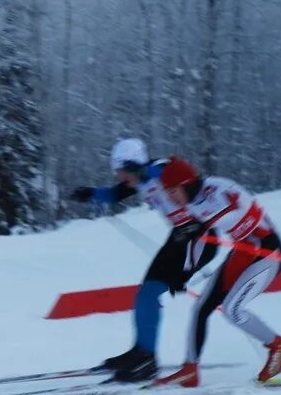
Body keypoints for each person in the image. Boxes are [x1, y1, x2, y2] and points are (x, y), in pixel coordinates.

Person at [68, 138, 217, 381]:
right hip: (179, 238)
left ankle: (147, 360)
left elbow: (199, 190)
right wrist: (90, 194)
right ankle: (141, 351)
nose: (119, 177)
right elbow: (115, 194)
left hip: (198, 240)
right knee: (145, 294)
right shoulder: (140, 177)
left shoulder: (159, 172)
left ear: (133, 165)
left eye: (121, 171)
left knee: (148, 293)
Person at [149, 159, 281, 387]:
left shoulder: (218, 188)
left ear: (186, 184)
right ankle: (190, 369)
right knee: (201, 307)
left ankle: (279, 346)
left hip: (267, 251)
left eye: (172, 191)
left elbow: (241, 212)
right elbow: (198, 239)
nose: (170, 198)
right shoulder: (192, 203)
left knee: (232, 309)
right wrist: (186, 273)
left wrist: (205, 224)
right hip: (243, 251)